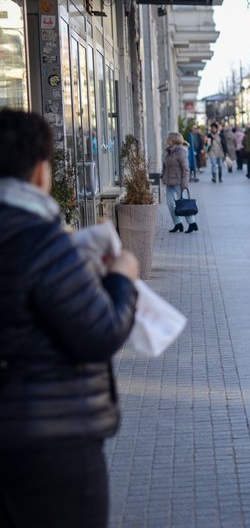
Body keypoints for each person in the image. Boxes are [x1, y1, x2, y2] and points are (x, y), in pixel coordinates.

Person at [0, 110, 139, 528]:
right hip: (48, 439)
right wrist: (121, 279)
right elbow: (100, 333)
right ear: (40, 172)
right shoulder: (38, 238)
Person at [160, 132, 196, 234]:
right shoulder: (169, 151)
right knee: (170, 203)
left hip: (179, 182)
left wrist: (185, 183)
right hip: (169, 181)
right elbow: (166, 165)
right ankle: (178, 224)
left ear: (174, 140)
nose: (167, 139)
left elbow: (186, 169)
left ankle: (192, 223)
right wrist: (163, 175)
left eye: (169, 138)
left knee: (183, 203)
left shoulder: (180, 151)